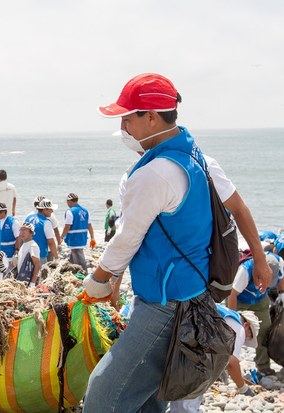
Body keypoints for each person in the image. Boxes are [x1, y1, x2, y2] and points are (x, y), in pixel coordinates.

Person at [82, 73, 272, 412]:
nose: (124, 126)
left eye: (128, 116)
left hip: (164, 306)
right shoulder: (197, 158)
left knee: (101, 395)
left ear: (151, 116)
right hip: (194, 297)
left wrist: (97, 282)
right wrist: (258, 258)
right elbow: (238, 207)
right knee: (149, 398)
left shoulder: (154, 173)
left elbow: (126, 239)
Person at [169, 304, 260, 412]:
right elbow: (232, 363)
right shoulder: (239, 329)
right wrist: (243, 388)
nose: (245, 340)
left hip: (180, 333)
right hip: (193, 353)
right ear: (246, 325)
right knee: (188, 399)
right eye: (249, 336)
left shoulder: (226, 313)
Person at [227, 251, 283, 376]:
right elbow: (232, 294)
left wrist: (281, 297)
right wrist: (233, 318)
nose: (266, 285)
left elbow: (281, 281)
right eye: (263, 280)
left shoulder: (279, 263)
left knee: (265, 330)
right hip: (240, 299)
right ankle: (225, 365)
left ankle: (263, 365)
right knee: (234, 333)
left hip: (260, 300)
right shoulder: (245, 271)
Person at [61, 193, 95, 270]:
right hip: (82, 237)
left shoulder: (70, 211)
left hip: (74, 238)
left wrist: (62, 236)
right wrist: (92, 237)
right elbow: (89, 225)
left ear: (69, 201)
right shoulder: (85, 210)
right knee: (74, 255)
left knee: (79, 257)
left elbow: (67, 226)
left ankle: (83, 273)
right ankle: (71, 269)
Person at [24, 198, 58, 263]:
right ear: (45, 209)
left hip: (27, 253)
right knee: (40, 273)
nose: (52, 211)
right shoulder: (46, 222)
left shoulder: (29, 218)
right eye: (51, 209)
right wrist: (56, 257)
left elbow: (21, 236)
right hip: (40, 255)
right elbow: (51, 242)